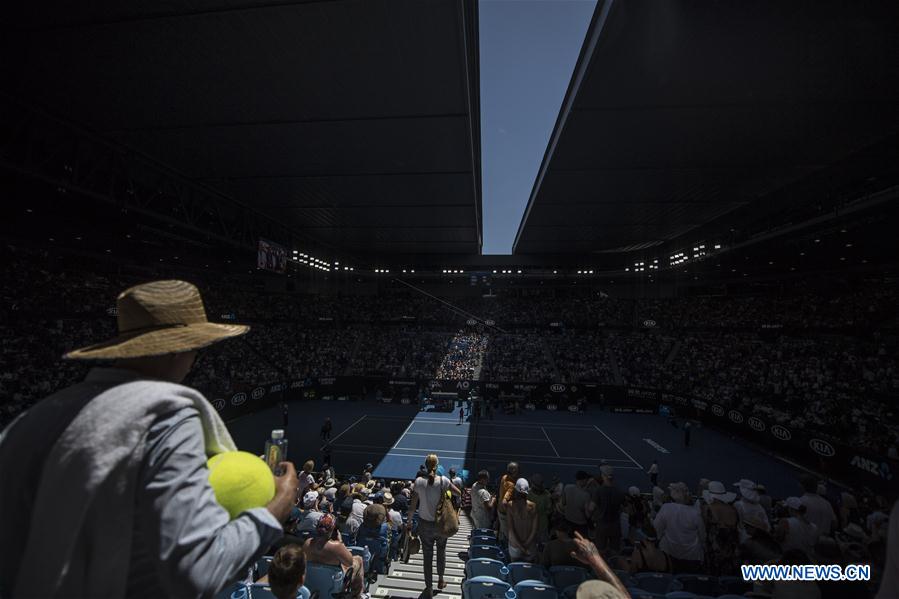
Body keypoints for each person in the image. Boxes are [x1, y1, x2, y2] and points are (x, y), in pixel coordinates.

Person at [0, 280, 299, 598]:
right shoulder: (165, 413)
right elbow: (197, 572)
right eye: (196, 348)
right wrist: (274, 511)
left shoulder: (32, 418)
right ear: (176, 349)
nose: (195, 358)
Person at [406, 454, 461, 597]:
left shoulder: (418, 482)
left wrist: (409, 522)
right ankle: (441, 580)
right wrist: (446, 495)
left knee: (427, 557)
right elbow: (458, 493)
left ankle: (429, 588)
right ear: (437, 465)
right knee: (441, 552)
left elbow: (412, 506)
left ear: (426, 465)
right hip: (441, 524)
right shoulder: (444, 481)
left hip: (424, 525)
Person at [303, 514, 365, 598]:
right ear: (332, 529)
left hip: (313, 582)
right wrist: (341, 542)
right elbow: (349, 563)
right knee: (359, 559)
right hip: (334, 585)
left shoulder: (307, 543)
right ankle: (357, 594)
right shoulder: (336, 546)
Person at [653, 482, 705, 573]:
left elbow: (656, 529)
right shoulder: (695, 513)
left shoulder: (666, 508)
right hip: (692, 557)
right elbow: (703, 536)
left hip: (668, 554)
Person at [701, 481, 739, 576]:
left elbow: (704, 527)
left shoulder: (708, 508)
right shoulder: (733, 509)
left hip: (714, 548)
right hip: (730, 548)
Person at [592, 465, 624, 555]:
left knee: (600, 550)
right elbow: (624, 509)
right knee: (615, 550)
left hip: (602, 525)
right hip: (615, 525)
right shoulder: (619, 491)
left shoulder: (598, 491)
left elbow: (591, 508)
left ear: (603, 476)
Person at [505, 478, 539, 562]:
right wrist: (525, 546)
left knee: (515, 569)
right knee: (527, 572)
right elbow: (534, 530)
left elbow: (511, 529)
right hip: (529, 545)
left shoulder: (510, 505)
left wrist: (521, 547)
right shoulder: (533, 506)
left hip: (515, 545)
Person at [561, 471, 594, 537]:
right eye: (587, 480)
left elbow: (563, 503)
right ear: (583, 480)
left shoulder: (567, 487)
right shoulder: (586, 495)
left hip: (567, 520)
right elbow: (588, 515)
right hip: (580, 524)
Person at [528, 473, 553, 544]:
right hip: (543, 525)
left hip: (531, 526)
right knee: (543, 545)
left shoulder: (527, 494)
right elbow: (549, 511)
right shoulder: (547, 494)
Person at [497, 462, 519, 542]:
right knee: (508, 536)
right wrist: (510, 512)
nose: (518, 472)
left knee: (502, 532)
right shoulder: (511, 486)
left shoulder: (504, 477)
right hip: (504, 514)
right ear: (513, 471)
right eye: (517, 470)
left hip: (499, 510)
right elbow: (504, 501)